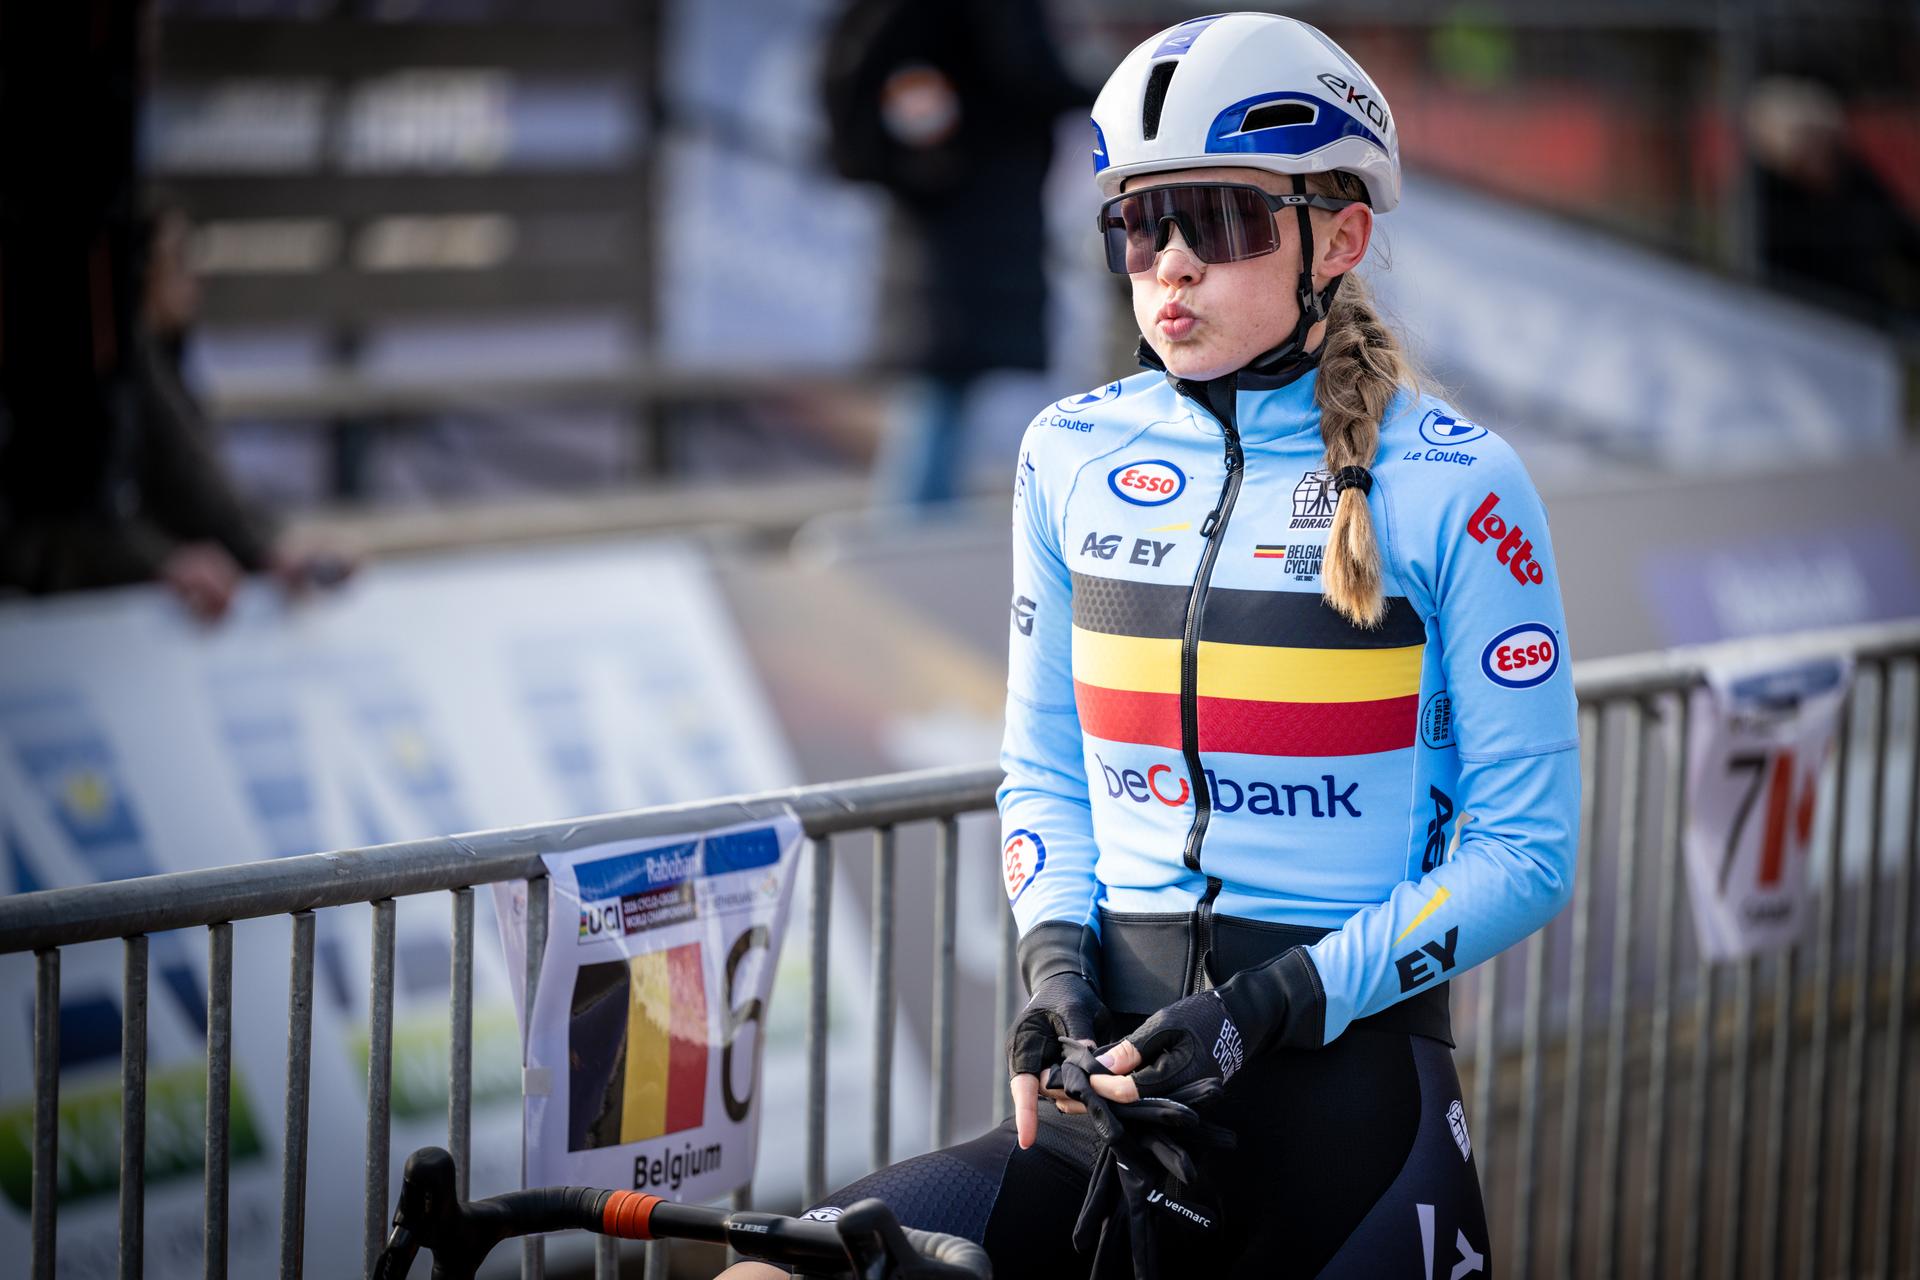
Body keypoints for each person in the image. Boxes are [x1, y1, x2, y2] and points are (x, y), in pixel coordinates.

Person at [728, 14, 1578, 1277]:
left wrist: (1271, 1001)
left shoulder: (1457, 481)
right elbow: (1043, 771)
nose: (1171, 262)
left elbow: (1528, 851)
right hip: (1110, 1101)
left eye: (1221, 220)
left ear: (1339, 239)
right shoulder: (1069, 452)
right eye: (1139, 223)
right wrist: (1054, 962)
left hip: (1344, 1118)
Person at [0, 200, 353, 620]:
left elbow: (190, 475)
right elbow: (56, 516)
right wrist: (159, 563)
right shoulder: (70, 340)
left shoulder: (142, 358)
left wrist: (271, 548)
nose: (195, 279)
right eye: (177, 260)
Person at [821, 0, 1090, 510]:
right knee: (940, 385)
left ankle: (919, 525)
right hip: (962, 219)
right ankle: (914, 532)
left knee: (946, 385)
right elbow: (1024, 75)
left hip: (964, 215)